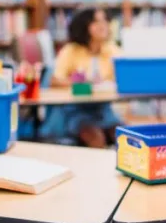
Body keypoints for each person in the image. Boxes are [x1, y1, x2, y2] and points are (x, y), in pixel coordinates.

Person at [41, 8, 119, 148]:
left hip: (102, 110)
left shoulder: (111, 49)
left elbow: (123, 76)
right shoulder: (71, 51)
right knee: (95, 137)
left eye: (105, 21)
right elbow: (54, 81)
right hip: (75, 111)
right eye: (96, 22)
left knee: (125, 135)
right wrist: (82, 84)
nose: (103, 25)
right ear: (84, 26)